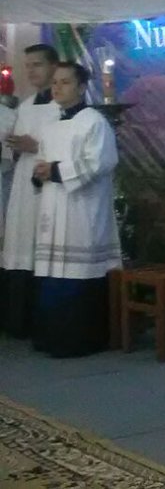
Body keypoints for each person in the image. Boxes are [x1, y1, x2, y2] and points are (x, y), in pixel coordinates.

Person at [29, 62, 121, 357]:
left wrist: (55, 171)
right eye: (55, 82)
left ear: (82, 88)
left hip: (83, 209)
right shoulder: (51, 125)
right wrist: (40, 172)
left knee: (78, 274)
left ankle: (79, 339)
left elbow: (100, 162)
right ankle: (51, 336)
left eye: (65, 82)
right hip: (54, 207)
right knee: (53, 274)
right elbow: (42, 159)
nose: (57, 87)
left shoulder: (94, 121)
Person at [0, 44, 61, 337]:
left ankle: (45, 323)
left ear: (53, 67)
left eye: (37, 64)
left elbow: (72, 147)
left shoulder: (64, 107)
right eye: (28, 65)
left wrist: (35, 146)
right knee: (22, 244)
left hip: (51, 187)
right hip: (23, 185)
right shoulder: (23, 106)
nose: (31, 71)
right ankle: (18, 323)